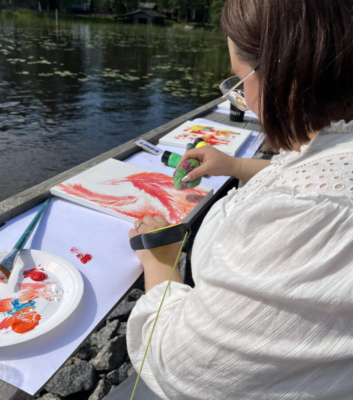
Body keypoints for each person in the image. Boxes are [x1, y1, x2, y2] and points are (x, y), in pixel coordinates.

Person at [126, 0, 353, 398]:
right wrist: (234, 165)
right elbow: (309, 171)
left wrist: (160, 262)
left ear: (287, 76)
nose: (243, 100)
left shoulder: (310, 223)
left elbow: (181, 366)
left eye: (239, 80)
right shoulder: (339, 147)